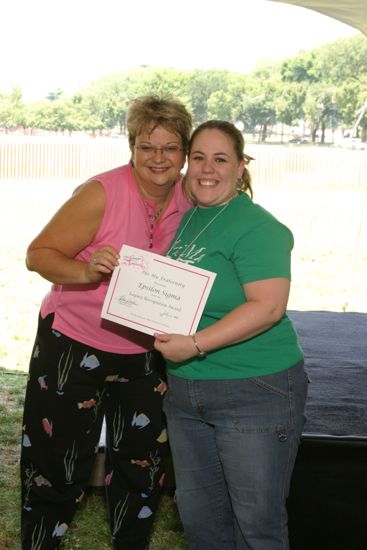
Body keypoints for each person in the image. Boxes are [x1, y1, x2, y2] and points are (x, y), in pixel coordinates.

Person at [20, 95, 192, 550]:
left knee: (142, 467)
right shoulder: (102, 192)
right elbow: (38, 254)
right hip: (75, 344)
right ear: (131, 146)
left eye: (170, 147)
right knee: (58, 464)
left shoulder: (192, 199)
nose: (158, 158)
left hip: (145, 353)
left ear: (184, 153)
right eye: (147, 146)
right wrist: (86, 270)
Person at [154, 120, 308, 550]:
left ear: (240, 167)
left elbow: (268, 306)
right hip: (187, 394)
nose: (207, 169)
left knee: (255, 526)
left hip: (254, 389)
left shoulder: (258, 227)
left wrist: (196, 344)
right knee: (202, 521)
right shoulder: (193, 220)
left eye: (220, 159)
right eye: (198, 157)